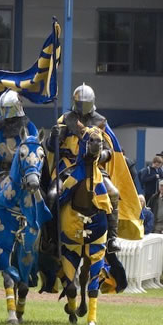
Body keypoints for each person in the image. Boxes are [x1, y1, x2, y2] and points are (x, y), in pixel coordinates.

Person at [47, 84, 141, 253]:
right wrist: (53, 138)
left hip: (93, 167)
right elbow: (53, 148)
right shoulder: (65, 120)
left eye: (86, 103)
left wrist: (97, 155)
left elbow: (110, 150)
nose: (83, 107)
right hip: (68, 167)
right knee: (53, 195)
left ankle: (112, 238)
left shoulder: (100, 122)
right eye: (80, 103)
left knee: (113, 193)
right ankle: (52, 238)